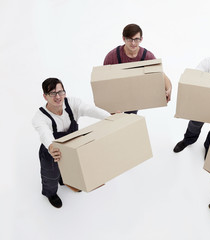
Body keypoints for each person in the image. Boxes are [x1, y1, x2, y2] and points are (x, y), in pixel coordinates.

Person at [32, 78, 110, 208]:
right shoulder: (39, 117)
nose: (58, 97)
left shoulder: (72, 103)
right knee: (51, 176)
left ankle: (65, 181)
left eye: (60, 92)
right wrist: (51, 147)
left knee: (70, 168)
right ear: (45, 96)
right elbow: (45, 133)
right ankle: (51, 194)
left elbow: (90, 109)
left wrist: (109, 117)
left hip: (71, 147)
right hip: (51, 152)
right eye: (52, 93)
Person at [103, 23, 172, 114]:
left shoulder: (147, 56)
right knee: (115, 120)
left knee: (130, 119)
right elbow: (103, 79)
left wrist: (169, 89)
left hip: (134, 97)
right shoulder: (112, 56)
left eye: (136, 39)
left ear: (141, 39)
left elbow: (161, 74)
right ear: (124, 39)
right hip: (116, 95)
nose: (133, 43)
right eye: (129, 39)